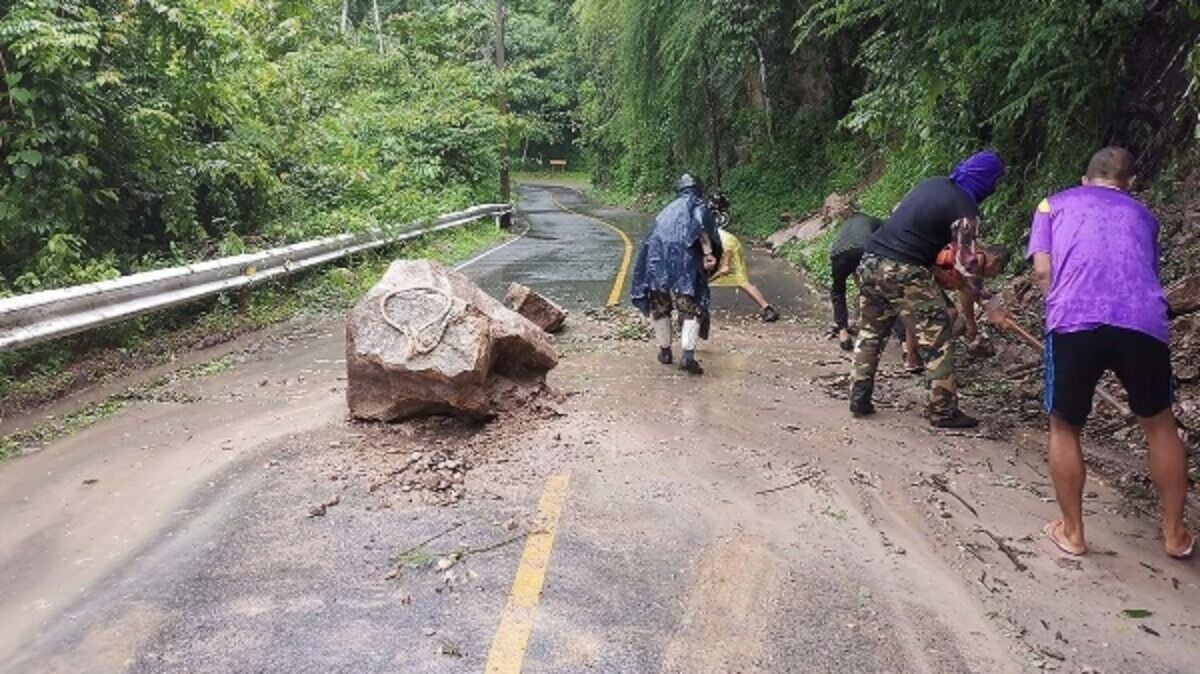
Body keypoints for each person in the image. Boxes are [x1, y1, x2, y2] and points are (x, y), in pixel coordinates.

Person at [1027, 146, 1193, 559]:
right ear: (1130, 183)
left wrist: (1061, 304)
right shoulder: (1144, 216)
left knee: (1064, 425)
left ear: (1085, 179)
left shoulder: (1052, 204)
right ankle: (1174, 535)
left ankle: (1073, 533)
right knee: (1160, 426)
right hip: (1142, 322)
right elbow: (1144, 270)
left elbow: (1043, 270)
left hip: (1075, 319)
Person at [850, 150, 1005, 428]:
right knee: (938, 339)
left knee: (871, 332)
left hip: (869, 261)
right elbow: (967, 263)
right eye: (994, 182)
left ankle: (859, 396)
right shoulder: (965, 208)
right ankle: (943, 411)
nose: (994, 189)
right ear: (986, 180)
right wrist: (987, 301)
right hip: (903, 270)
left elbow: (899, 216)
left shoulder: (932, 184)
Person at [630, 173, 723, 375]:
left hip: (656, 267)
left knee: (660, 308)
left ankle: (665, 352)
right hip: (685, 266)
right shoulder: (698, 206)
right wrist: (708, 254)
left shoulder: (665, 212)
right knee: (690, 309)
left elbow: (649, 242)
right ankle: (687, 357)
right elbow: (701, 229)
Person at [707, 193, 780, 322]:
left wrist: (708, 279)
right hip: (720, 243)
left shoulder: (725, 240)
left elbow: (725, 268)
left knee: (739, 280)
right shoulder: (713, 222)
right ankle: (767, 308)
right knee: (740, 280)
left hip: (725, 245)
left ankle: (767, 309)